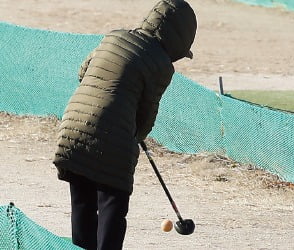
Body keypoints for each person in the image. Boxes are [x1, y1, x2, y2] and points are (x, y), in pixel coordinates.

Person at [53, 0, 197, 249]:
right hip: (112, 138)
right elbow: (147, 113)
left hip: (71, 128)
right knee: (112, 204)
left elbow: (83, 72)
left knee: (82, 204)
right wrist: (134, 134)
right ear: (178, 40)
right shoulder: (161, 64)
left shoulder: (114, 37)